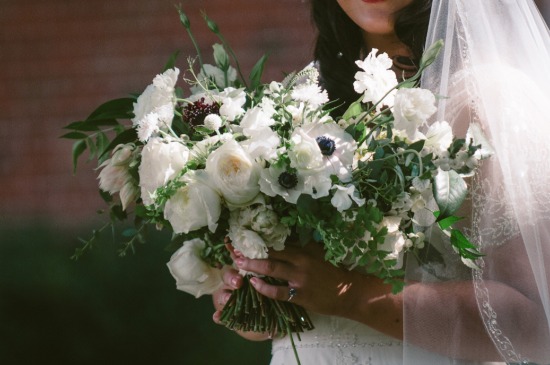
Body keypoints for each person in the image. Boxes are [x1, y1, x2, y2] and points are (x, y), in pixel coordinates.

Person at [212, 0, 550, 364]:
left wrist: (353, 297)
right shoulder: (302, 92)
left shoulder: (486, 99)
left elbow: (536, 324)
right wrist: (261, 290)